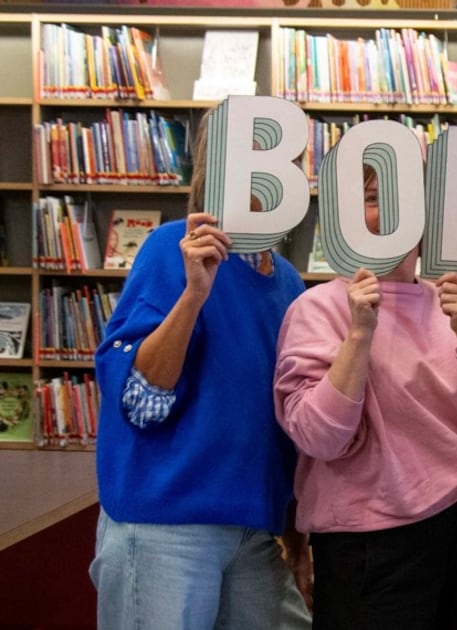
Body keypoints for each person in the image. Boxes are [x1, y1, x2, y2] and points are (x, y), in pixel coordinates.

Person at [273, 167, 457, 630]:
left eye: (405, 199)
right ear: (347, 217)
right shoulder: (317, 309)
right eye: (373, 198)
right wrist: (359, 335)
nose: (390, 213)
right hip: (364, 545)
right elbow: (318, 438)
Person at [90, 112, 311, 629]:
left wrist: (296, 537)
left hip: (254, 528)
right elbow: (139, 402)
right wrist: (193, 295)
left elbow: (287, 422)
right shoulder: (171, 248)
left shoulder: (287, 282)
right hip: (165, 524)